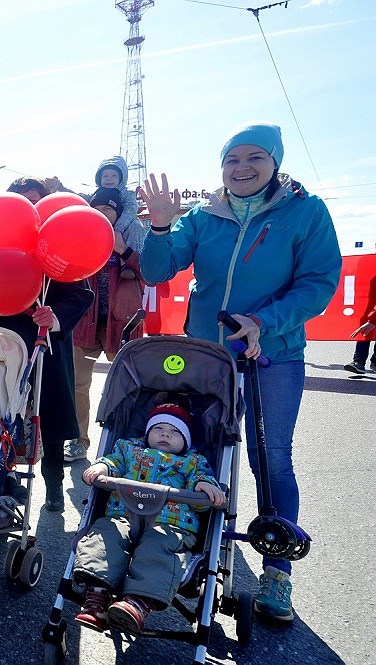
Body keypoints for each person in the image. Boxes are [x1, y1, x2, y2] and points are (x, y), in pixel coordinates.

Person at [138, 122, 341, 622]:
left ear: (274, 162)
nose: (242, 168)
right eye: (231, 160)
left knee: (271, 460)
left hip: (272, 354)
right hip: (207, 355)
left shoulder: (305, 212)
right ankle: (190, 549)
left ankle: (277, 572)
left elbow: (318, 282)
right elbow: (158, 270)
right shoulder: (205, 215)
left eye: (254, 158)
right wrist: (161, 227)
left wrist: (263, 321)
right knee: (200, 451)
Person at [0, 177, 93, 511]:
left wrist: (56, 316)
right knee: (1, 412)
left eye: (34, 202)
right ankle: (3, 482)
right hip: (3, 344)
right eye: (21, 202)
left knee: (47, 418)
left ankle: (53, 484)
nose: (28, 211)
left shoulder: (58, 252)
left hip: (44, 343)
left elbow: (80, 293)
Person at [73, 403, 226, 633]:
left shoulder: (192, 462)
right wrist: (104, 467)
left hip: (169, 524)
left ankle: (138, 602)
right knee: (105, 536)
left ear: (186, 440)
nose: (165, 433)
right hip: (123, 515)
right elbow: (115, 462)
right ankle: (97, 598)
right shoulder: (128, 449)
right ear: (147, 433)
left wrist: (203, 485)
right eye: (159, 428)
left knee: (160, 548)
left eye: (175, 431)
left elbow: (202, 482)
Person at [67, 187, 145, 463]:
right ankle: (79, 441)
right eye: (98, 209)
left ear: (118, 212)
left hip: (121, 325)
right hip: (85, 325)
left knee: (129, 385)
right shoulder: (84, 234)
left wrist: (122, 249)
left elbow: (150, 272)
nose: (103, 214)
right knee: (78, 385)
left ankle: (126, 441)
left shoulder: (131, 233)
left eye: (109, 209)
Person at [93, 156, 142, 280]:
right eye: (105, 176)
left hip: (123, 225)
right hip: (102, 226)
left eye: (114, 176)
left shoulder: (127, 193)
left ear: (121, 178)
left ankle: (127, 265)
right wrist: (60, 188)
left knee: (135, 227)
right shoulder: (97, 193)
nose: (109, 179)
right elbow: (80, 198)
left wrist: (118, 228)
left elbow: (130, 210)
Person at [344, 275, 376, 373]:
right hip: (369, 308)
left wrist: (373, 320)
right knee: (365, 331)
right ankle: (359, 362)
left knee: (366, 328)